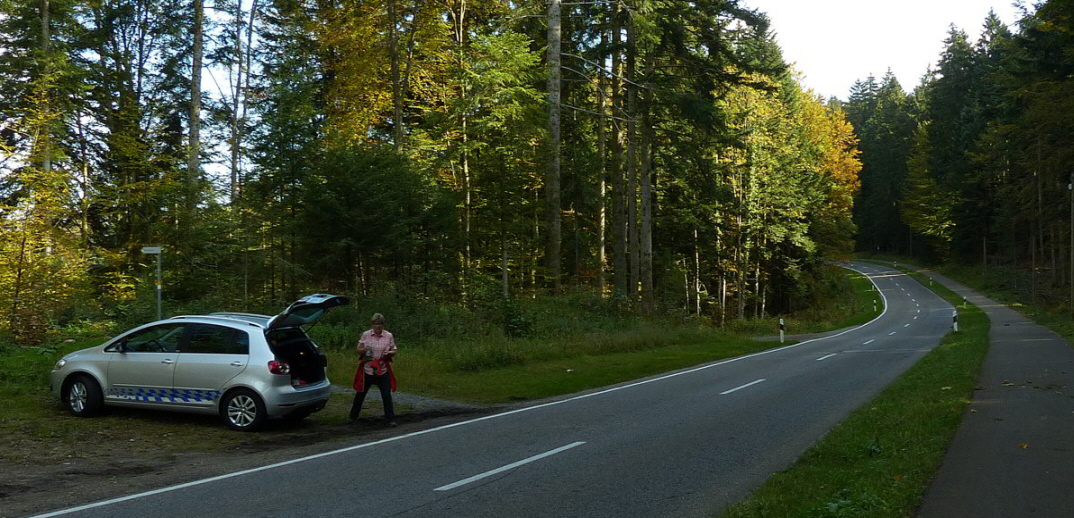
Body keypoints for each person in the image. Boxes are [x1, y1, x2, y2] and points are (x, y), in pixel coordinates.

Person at [349, 313, 398, 426]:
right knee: (360, 393)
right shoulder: (366, 334)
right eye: (376, 324)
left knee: (386, 394)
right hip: (368, 369)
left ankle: (390, 419)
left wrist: (389, 353)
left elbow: (394, 350)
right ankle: (353, 416)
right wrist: (364, 349)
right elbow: (358, 350)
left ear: (383, 325)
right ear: (372, 324)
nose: (378, 326)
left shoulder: (388, 335)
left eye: (380, 324)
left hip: (382, 369)